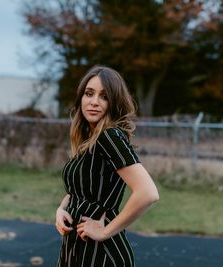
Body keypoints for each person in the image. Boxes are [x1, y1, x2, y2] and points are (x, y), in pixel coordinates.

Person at [56, 65, 159, 266]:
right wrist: (61, 209)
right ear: (81, 98)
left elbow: (148, 193)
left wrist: (104, 231)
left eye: (104, 96)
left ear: (114, 102)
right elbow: (80, 188)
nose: (94, 102)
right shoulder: (90, 140)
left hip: (100, 253)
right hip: (75, 247)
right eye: (89, 93)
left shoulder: (109, 136)